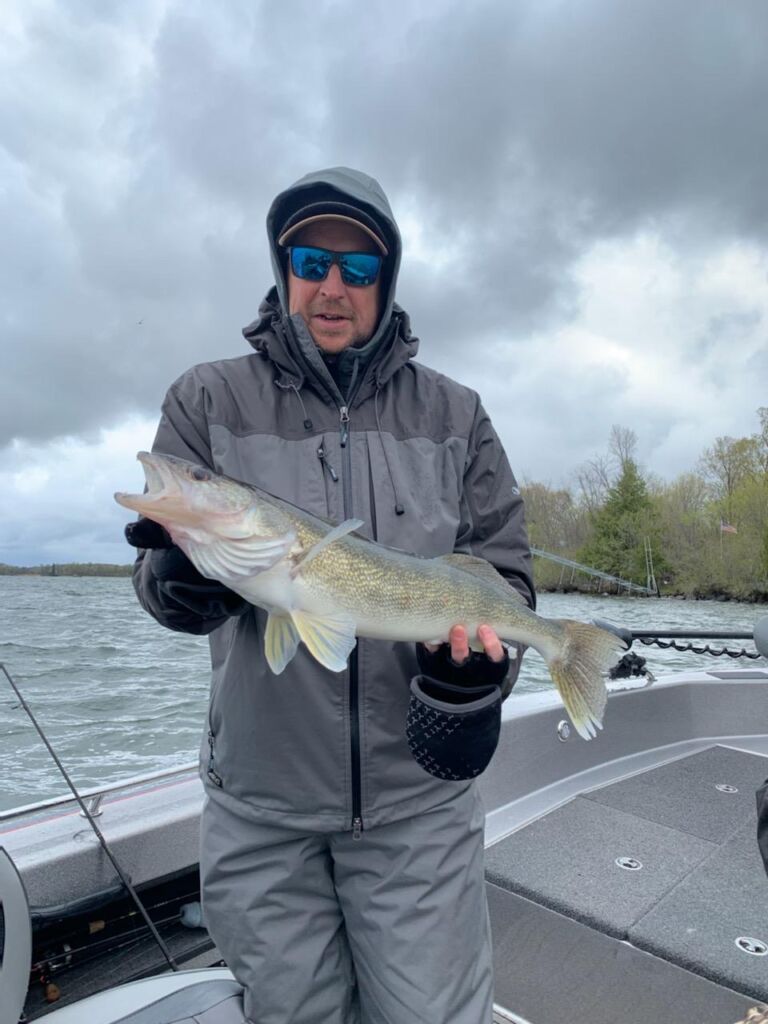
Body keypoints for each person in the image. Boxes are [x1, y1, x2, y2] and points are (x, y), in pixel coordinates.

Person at [127, 167, 535, 1024]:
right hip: (259, 806)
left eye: (358, 269)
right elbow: (159, 583)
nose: (332, 286)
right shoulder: (205, 398)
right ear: (283, 270)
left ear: (386, 282)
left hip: (417, 802)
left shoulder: (458, 415)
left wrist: (473, 686)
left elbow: (503, 571)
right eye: (312, 260)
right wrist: (175, 583)